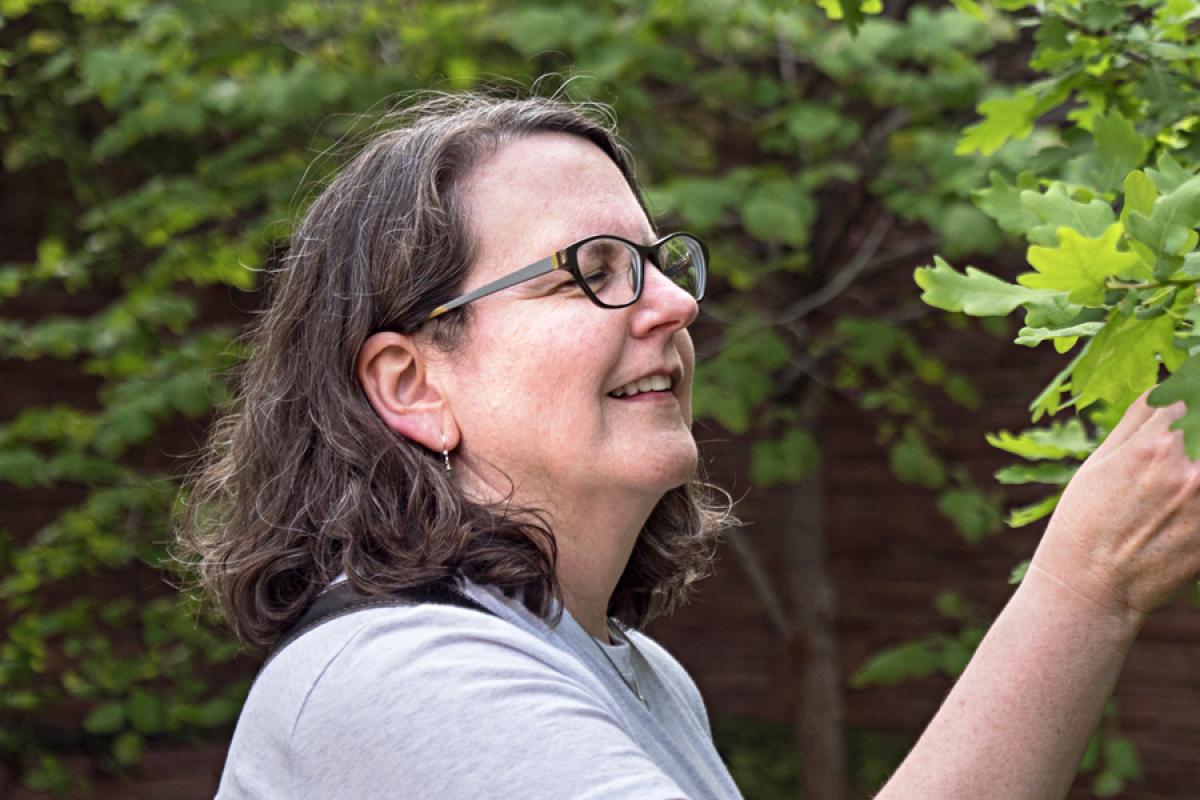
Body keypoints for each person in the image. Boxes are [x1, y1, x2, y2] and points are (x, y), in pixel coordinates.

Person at [181, 92, 1200, 800]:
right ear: (413, 384)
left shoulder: (639, 674)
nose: (673, 304)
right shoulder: (400, 673)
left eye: (660, 263)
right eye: (590, 270)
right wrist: (1084, 586)